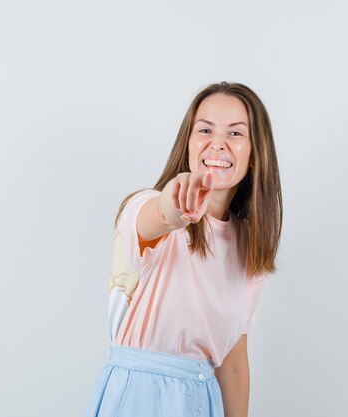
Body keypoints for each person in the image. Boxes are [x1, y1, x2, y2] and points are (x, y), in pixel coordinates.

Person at [83, 81, 282, 417]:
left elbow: (232, 367)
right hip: (138, 400)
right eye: (205, 130)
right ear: (188, 143)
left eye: (235, 133)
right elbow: (162, 214)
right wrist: (175, 206)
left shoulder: (247, 248)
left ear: (255, 152)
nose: (217, 143)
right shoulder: (143, 207)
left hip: (203, 401)